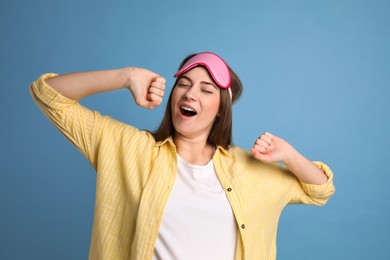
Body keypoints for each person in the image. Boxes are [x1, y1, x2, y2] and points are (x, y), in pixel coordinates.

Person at [30, 52, 335, 260]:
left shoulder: (250, 170)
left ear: (221, 109)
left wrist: (290, 155)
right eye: (184, 85)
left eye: (206, 90)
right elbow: (48, 95)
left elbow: (320, 189)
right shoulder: (129, 149)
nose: (190, 94)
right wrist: (126, 76)